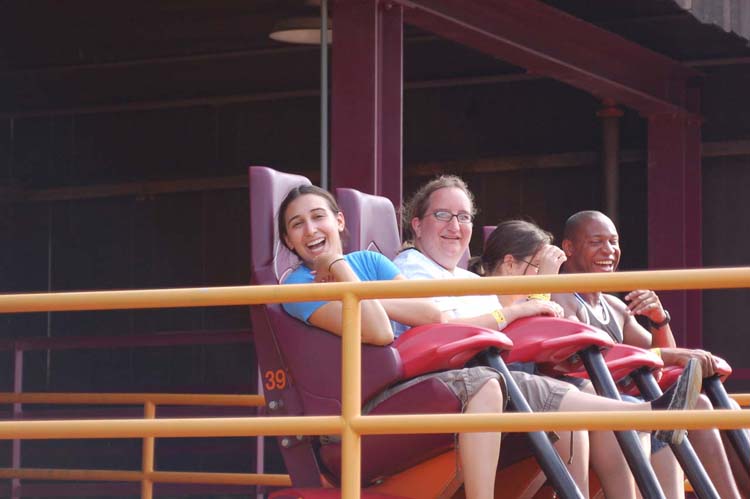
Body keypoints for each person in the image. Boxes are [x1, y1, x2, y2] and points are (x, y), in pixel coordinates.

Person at [391, 175, 701, 499]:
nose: (455, 225)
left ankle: (651, 417)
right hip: (448, 381)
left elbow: (512, 327)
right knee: (556, 394)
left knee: (573, 395)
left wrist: (662, 328)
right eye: (443, 215)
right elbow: (451, 325)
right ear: (417, 224)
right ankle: (651, 414)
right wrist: (537, 293)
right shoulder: (412, 269)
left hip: (491, 375)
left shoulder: (466, 278)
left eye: (464, 216)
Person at [277, 184, 505, 499]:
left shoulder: (370, 263)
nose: (311, 229)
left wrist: (354, 286)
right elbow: (379, 331)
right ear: (289, 241)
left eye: (318, 217)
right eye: (297, 224)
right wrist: (340, 267)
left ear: (339, 221)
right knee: (483, 384)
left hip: (402, 388)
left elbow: (429, 312)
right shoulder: (297, 287)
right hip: (360, 413)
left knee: (553, 399)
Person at [554, 209, 747, 499]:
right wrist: (672, 355)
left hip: (634, 403)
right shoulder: (560, 296)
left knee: (723, 408)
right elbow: (573, 359)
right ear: (568, 248)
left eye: (614, 241)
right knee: (696, 408)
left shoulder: (614, 306)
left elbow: (658, 357)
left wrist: (658, 319)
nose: (609, 251)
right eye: (596, 242)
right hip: (599, 410)